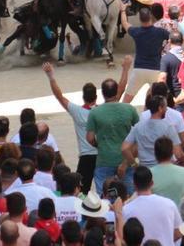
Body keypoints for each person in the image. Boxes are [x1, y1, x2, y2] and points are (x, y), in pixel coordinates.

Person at [44, 62, 98, 192]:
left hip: (86, 157)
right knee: (106, 189)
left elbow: (59, 96)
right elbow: (117, 95)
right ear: (96, 97)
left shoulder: (77, 111)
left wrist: (51, 76)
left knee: (80, 190)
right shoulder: (102, 111)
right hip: (103, 156)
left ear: (83, 97)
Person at [86, 69, 139, 193]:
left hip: (105, 159)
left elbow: (89, 138)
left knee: (104, 197)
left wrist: (99, 145)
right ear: (117, 92)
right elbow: (139, 133)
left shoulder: (95, 112)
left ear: (103, 94)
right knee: (128, 196)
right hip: (126, 160)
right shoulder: (129, 109)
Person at [120, 6, 169, 103]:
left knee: (125, 102)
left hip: (139, 69)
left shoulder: (136, 31)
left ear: (140, 19)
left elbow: (124, 23)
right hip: (155, 69)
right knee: (158, 101)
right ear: (151, 17)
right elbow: (174, 37)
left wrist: (122, 10)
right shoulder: (160, 32)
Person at [122, 166, 182, 246]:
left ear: (134, 185)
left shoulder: (126, 210)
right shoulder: (169, 204)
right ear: (152, 183)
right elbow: (178, 232)